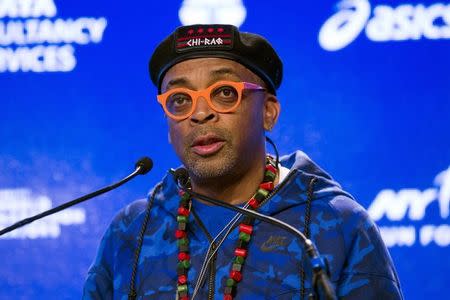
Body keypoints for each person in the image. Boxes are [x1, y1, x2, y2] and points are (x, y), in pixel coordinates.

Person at [83, 24, 403, 299]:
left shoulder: (337, 225)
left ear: (268, 112)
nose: (199, 113)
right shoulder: (132, 230)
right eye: (180, 100)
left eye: (224, 93)